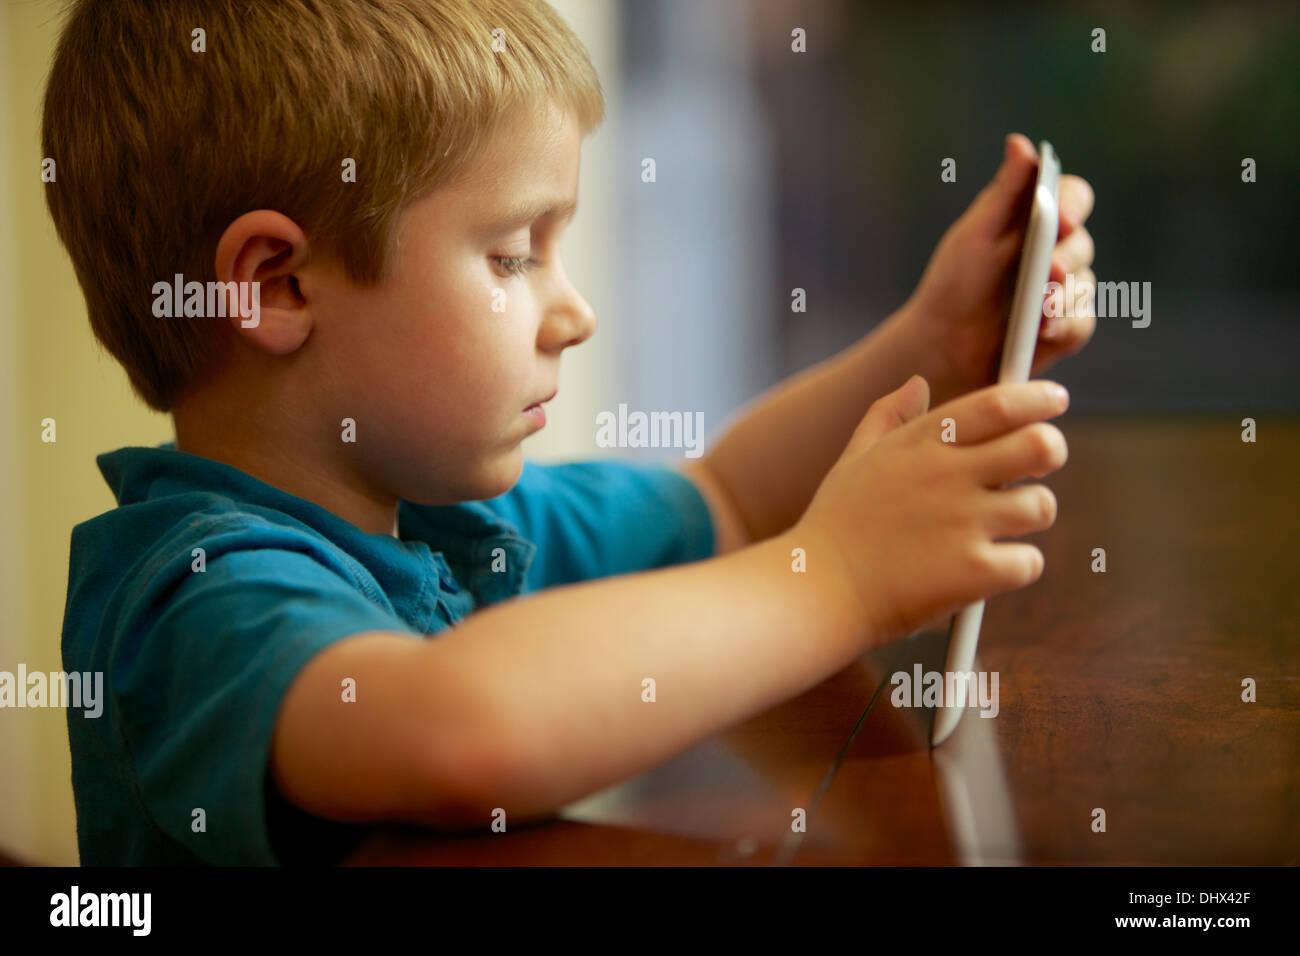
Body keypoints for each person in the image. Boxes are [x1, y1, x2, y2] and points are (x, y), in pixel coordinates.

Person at [45, 0, 1096, 864]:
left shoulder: (454, 522)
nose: (574, 311)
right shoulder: (193, 600)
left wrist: (933, 341)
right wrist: (837, 580)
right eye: (512, 254)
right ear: (277, 286)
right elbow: (456, 731)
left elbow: (726, 496)